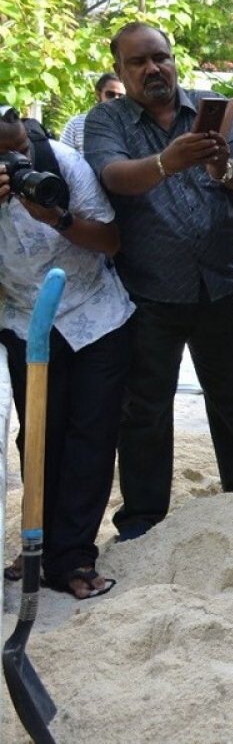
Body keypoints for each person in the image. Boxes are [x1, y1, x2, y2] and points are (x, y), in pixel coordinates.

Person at [83, 22, 233, 540]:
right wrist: (168, 162)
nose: (153, 69)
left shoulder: (213, 107)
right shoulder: (106, 119)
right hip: (148, 293)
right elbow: (114, 176)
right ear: (121, 70)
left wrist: (221, 169)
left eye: (160, 57)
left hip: (221, 287)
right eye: (139, 62)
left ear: (174, 60)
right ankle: (144, 520)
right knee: (145, 408)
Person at [0, 109, 132, 598]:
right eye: (5, 158)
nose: (17, 163)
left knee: (91, 438)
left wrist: (57, 216)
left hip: (96, 316)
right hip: (24, 323)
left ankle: (72, 558)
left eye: (21, 149)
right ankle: (36, 546)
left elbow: (111, 241)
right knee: (38, 437)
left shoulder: (64, 163)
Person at [60, 72, 124, 152]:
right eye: (110, 94)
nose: (115, 99)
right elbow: (63, 158)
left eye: (121, 96)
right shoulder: (76, 124)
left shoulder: (130, 126)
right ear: (98, 94)